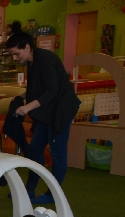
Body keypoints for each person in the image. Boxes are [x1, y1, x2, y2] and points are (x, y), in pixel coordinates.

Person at [6, 21, 80, 205]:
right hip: (47, 110)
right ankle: (30, 188)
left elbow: (52, 90)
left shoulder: (45, 60)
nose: (15, 58)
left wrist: (27, 107)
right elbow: (37, 87)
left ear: (27, 47)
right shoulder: (32, 61)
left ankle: (53, 194)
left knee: (57, 152)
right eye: (12, 55)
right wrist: (22, 96)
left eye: (17, 54)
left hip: (60, 110)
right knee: (35, 149)